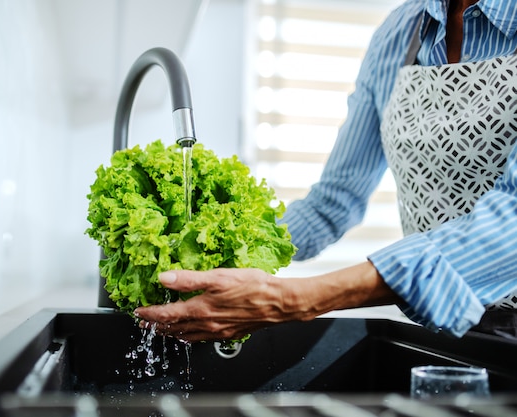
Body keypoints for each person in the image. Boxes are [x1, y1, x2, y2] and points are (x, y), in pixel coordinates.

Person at [134, 0, 517, 342]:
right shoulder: (400, 32)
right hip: (437, 327)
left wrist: (294, 297)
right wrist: (217, 247)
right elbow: (336, 199)